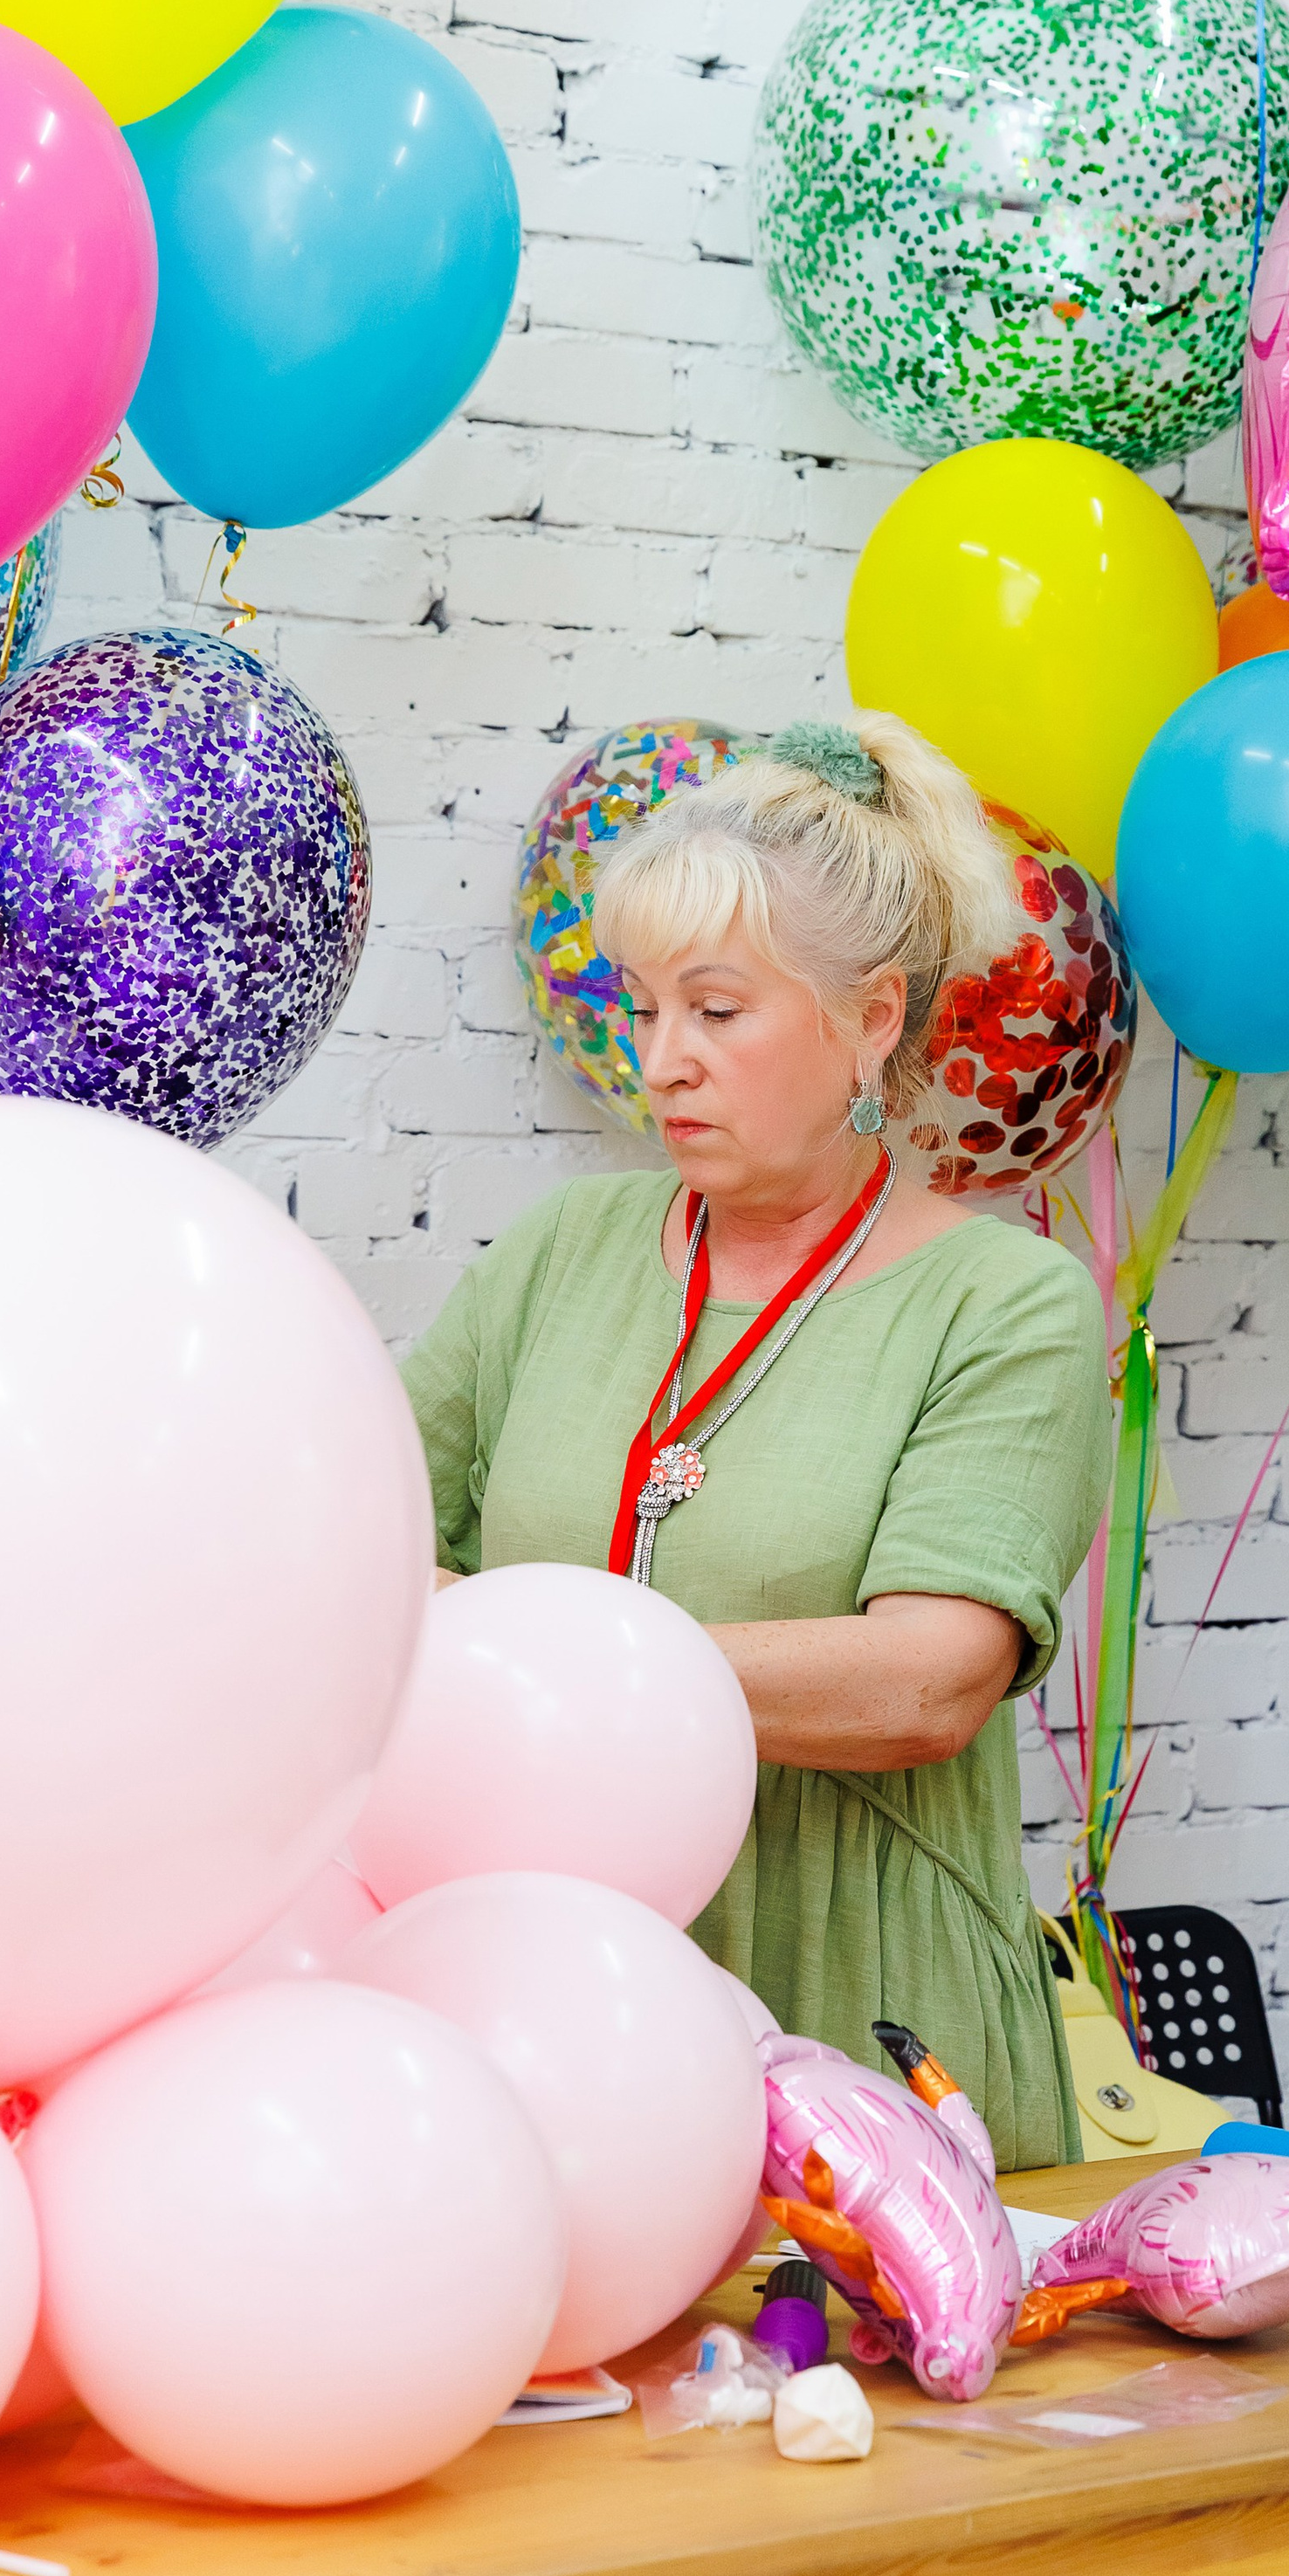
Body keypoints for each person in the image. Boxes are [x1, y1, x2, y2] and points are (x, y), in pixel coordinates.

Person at [401, 714, 1112, 2172]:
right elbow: (361, 1543)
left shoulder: (1005, 1301)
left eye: (716, 1012)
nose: (661, 1060)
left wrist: (529, 1649)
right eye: (643, 1006)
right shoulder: (561, 1252)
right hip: (559, 2007)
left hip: (865, 2013)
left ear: (871, 1019)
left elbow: (927, 1682)